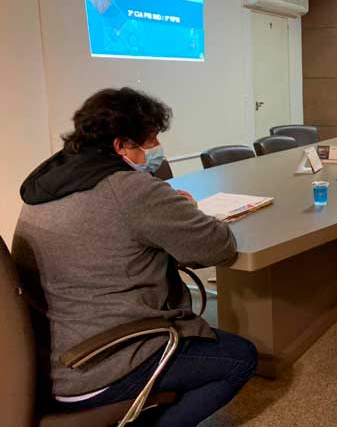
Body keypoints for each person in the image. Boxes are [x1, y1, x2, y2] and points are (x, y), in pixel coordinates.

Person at [12, 88, 256, 427]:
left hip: (46, 362)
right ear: (121, 145)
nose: (156, 149)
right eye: (150, 141)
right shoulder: (129, 189)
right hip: (103, 361)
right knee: (240, 358)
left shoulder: (47, 184)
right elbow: (218, 246)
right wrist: (185, 208)